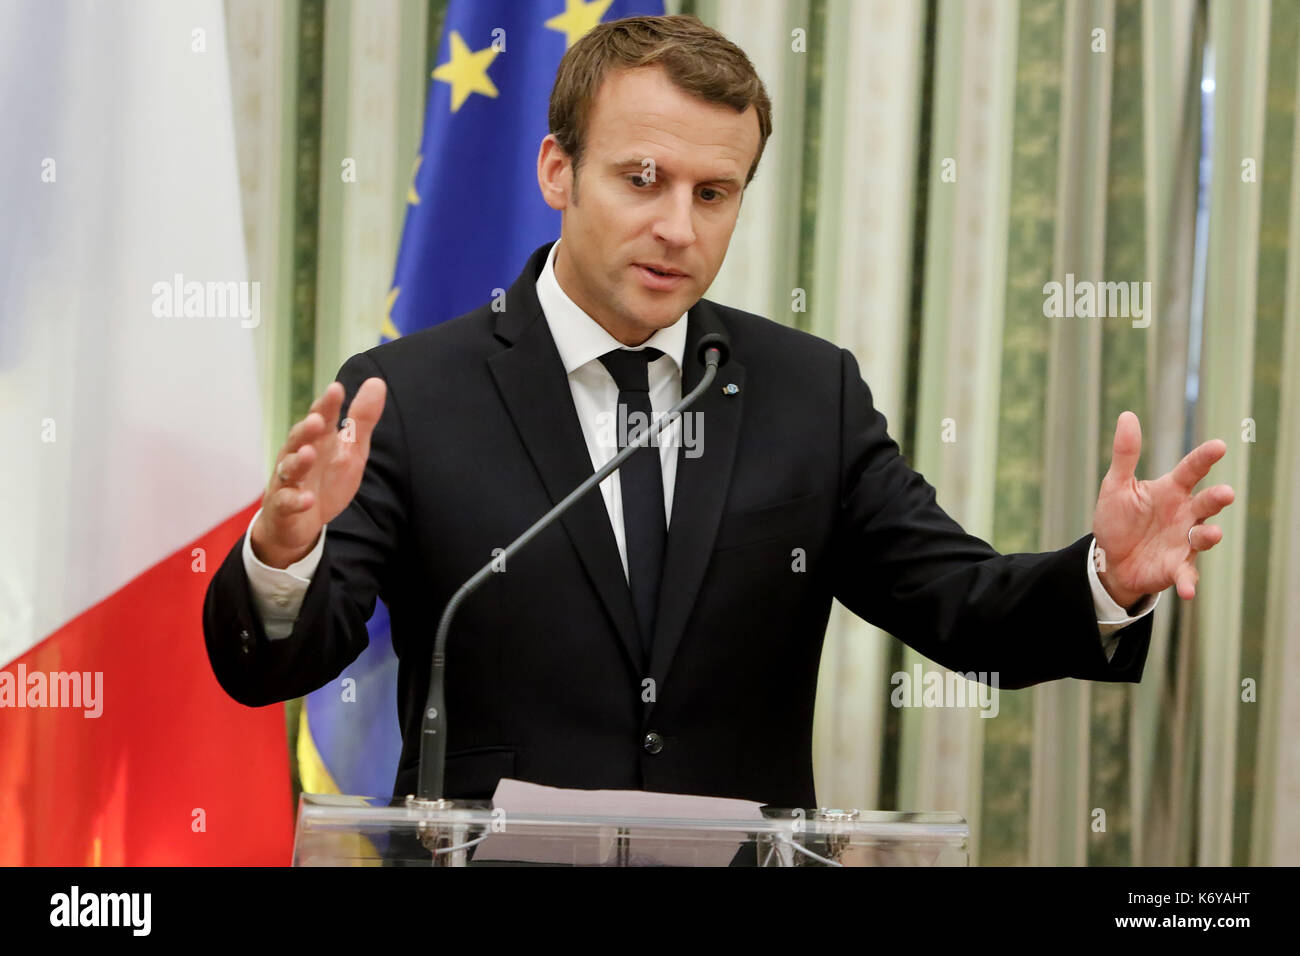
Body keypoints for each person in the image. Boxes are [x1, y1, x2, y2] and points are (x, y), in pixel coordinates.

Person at [203, 15, 1234, 807]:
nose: (675, 226)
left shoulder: (807, 392)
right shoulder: (415, 391)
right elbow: (283, 661)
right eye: (641, 179)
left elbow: (958, 605)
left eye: (713, 192)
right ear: (556, 170)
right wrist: (286, 552)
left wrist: (1101, 578)